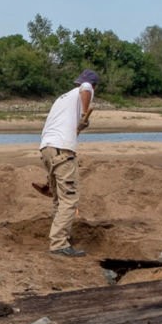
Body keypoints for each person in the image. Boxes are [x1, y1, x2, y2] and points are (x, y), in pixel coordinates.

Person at [38, 69, 97, 256]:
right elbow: (87, 88)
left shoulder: (62, 98)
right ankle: (58, 244)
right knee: (69, 199)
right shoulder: (86, 89)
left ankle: (60, 238)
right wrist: (85, 113)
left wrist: (80, 123)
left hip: (46, 148)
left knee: (58, 199)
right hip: (62, 150)